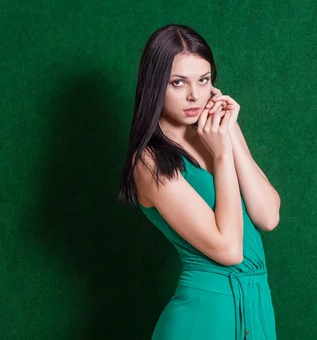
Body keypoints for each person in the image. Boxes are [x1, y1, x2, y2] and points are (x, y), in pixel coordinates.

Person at [117, 24, 281, 339]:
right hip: (205, 315)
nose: (195, 95)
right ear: (154, 86)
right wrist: (220, 157)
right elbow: (229, 250)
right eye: (178, 82)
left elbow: (268, 216)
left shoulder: (216, 135)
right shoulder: (149, 163)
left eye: (203, 80)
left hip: (256, 304)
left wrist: (232, 133)